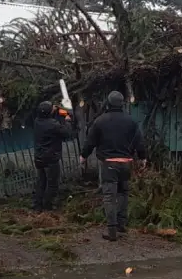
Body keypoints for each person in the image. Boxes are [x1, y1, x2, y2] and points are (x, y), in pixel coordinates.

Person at [80, 91, 147, 241]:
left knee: (110, 196)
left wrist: (83, 156)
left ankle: (112, 231)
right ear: (122, 104)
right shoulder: (131, 121)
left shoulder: (100, 121)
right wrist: (142, 158)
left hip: (109, 164)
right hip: (126, 164)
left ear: (108, 103)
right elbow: (139, 142)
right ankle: (121, 225)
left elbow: (90, 142)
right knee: (123, 193)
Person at [32, 100, 73, 211]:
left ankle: (37, 205)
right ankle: (48, 206)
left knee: (41, 182)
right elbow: (66, 133)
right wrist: (68, 120)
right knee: (52, 184)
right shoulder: (53, 125)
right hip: (50, 159)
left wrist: (56, 109)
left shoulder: (37, 121)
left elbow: (49, 116)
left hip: (39, 158)